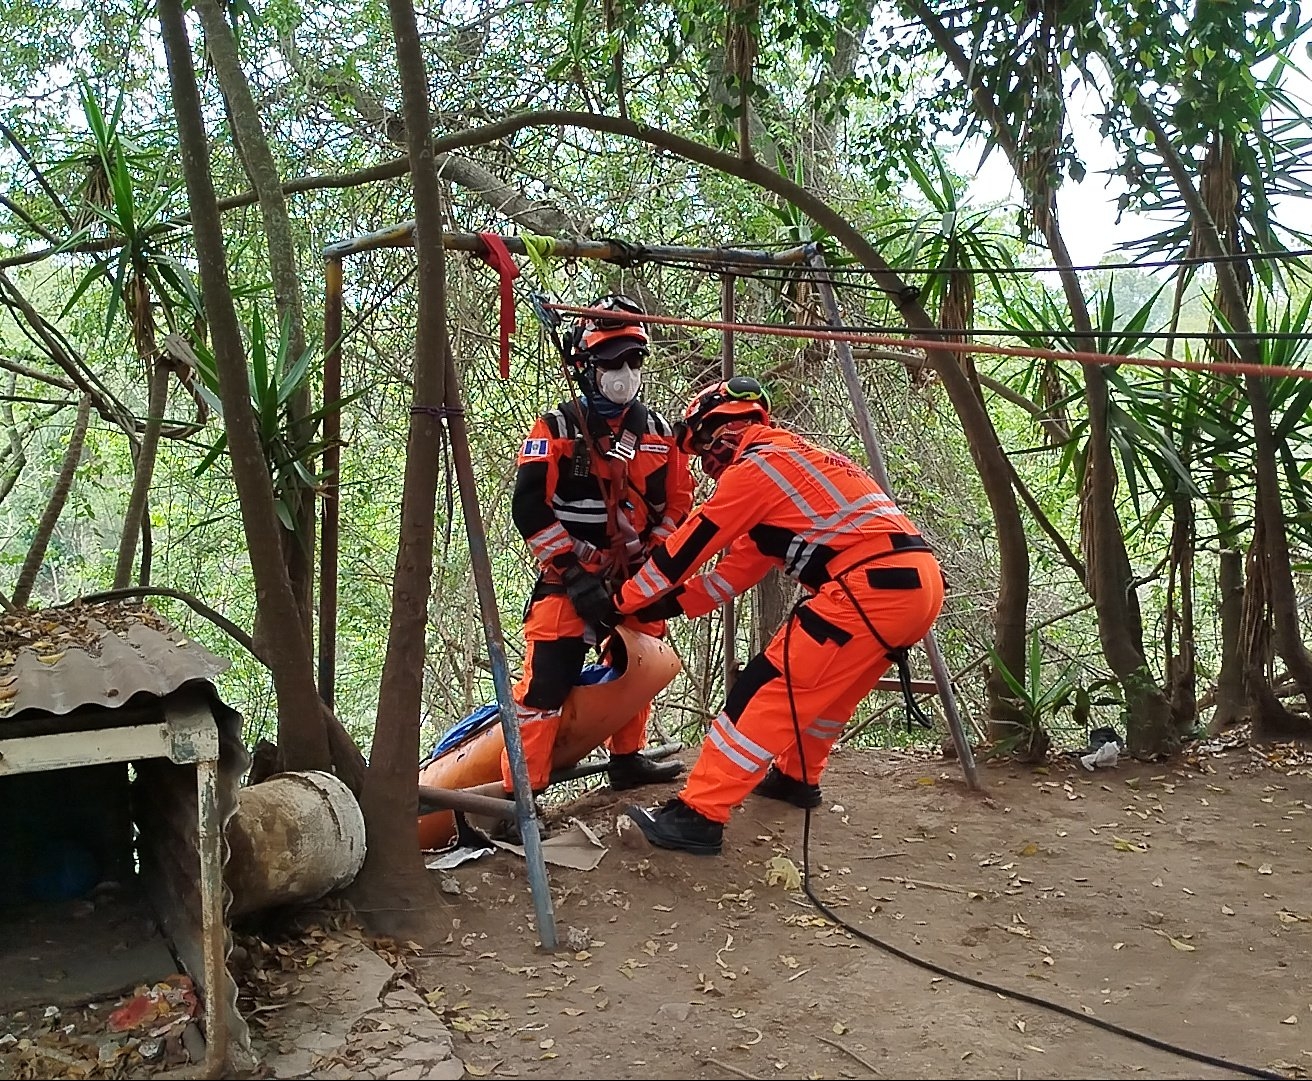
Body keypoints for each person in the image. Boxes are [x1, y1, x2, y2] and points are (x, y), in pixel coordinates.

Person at [613, 375, 945, 855]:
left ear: (720, 432)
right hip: (913, 585)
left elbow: (686, 549)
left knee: (764, 689)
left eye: (705, 452)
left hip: (868, 588)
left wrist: (623, 601)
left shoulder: (758, 468)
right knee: (828, 695)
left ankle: (698, 814)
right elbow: (734, 573)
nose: (707, 467)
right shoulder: (797, 465)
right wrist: (673, 603)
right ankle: (796, 777)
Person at [502, 294, 695, 797]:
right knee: (546, 683)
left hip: (636, 576)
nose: (625, 372)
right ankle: (524, 792)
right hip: (569, 579)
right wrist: (571, 570)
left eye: (633, 360)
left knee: (636, 672)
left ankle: (627, 759)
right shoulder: (557, 428)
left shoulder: (659, 433)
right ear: (587, 366)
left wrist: (654, 553)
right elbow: (529, 507)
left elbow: (678, 503)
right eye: (612, 361)